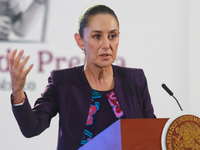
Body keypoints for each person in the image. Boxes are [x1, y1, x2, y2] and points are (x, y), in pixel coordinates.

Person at [7, 4, 155, 150]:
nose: (106, 44)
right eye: (97, 36)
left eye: (112, 36)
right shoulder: (63, 82)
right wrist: (18, 92)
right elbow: (32, 128)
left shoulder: (135, 79)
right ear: (80, 41)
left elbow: (152, 134)